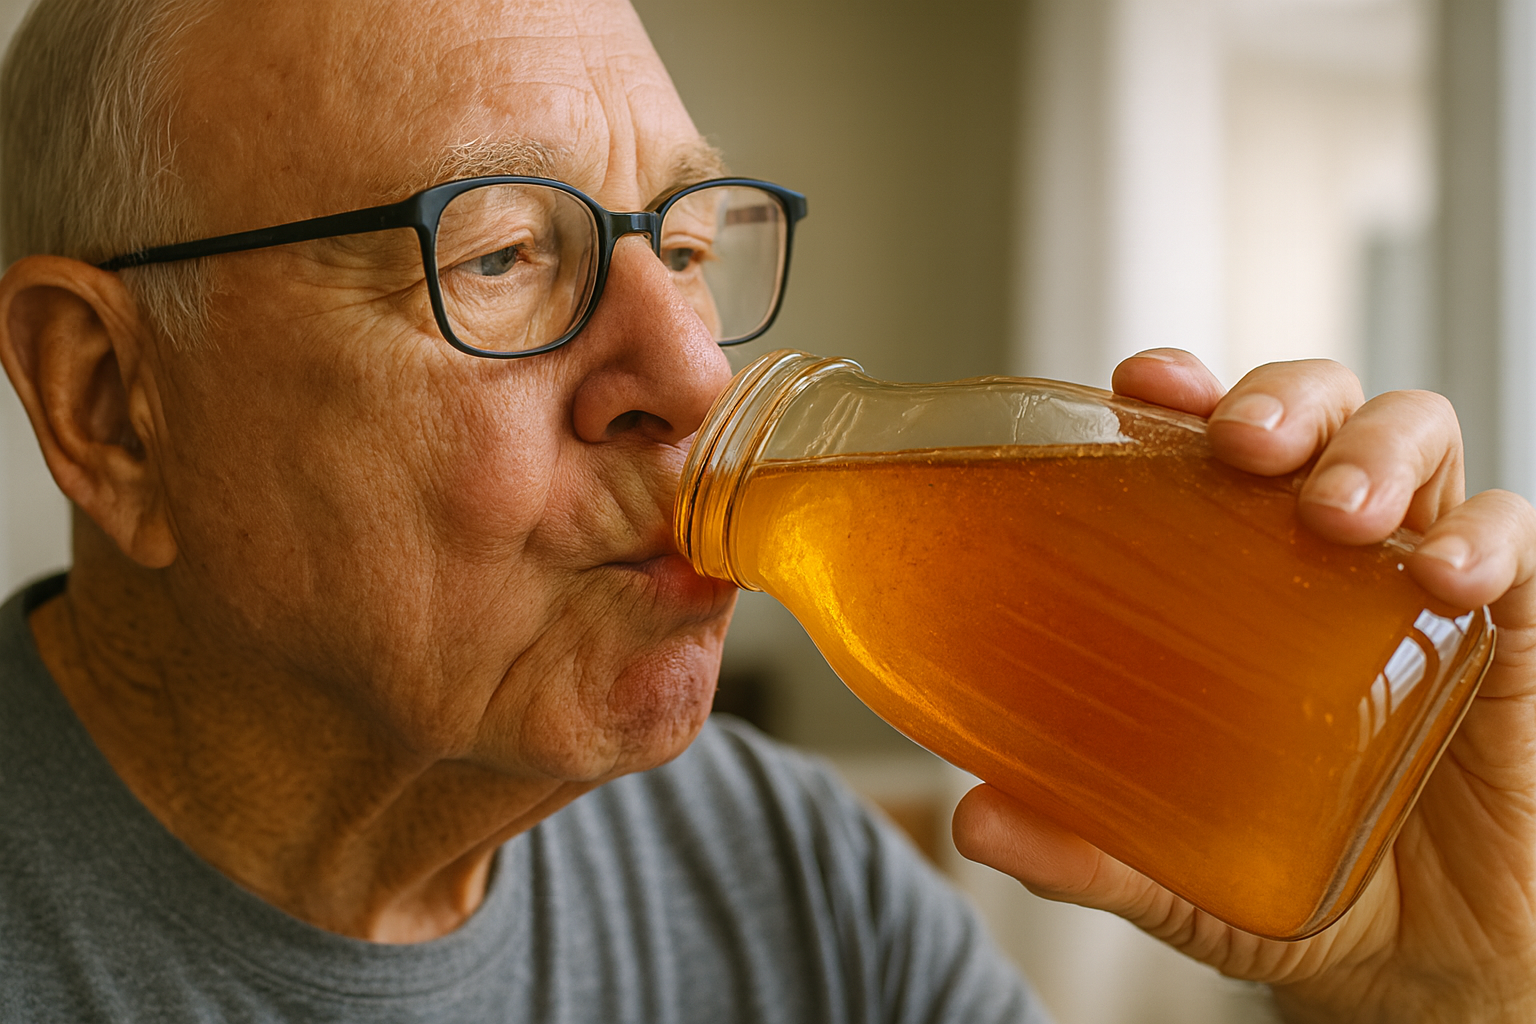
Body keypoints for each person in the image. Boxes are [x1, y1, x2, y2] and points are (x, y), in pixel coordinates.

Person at [0, 0, 1530, 1021]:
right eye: (498, 255)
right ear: (109, 409)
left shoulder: (791, 883)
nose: (690, 367)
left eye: (684, 238)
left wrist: (1449, 991)